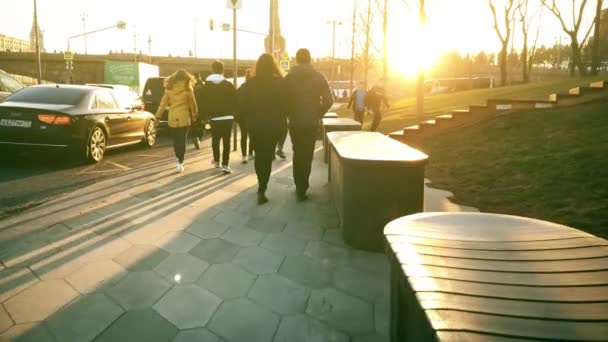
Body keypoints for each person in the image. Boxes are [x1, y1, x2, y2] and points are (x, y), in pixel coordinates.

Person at [238, 53, 288, 204]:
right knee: (267, 155)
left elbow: (239, 102)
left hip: (255, 125)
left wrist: (244, 119)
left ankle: (261, 185)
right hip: (273, 125)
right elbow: (287, 104)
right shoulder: (280, 83)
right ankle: (263, 185)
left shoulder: (250, 83)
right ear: (274, 65)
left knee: (259, 155)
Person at [285, 48, 333, 201]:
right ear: (310, 59)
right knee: (307, 154)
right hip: (311, 122)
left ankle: (298, 184)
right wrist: (317, 113)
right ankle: (302, 187)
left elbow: (282, 99)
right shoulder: (319, 77)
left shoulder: (289, 78)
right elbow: (328, 101)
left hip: (295, 122)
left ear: (297, 60)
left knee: (297, 152)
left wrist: (289, 112)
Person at [155, 69, 198, 173]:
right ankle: (180, 161)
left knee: (175, 140)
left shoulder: (169, 88)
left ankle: (177, 157)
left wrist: (158, 116)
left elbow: (163, 104)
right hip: (184, 117)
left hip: (172, 117)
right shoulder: (188, 88)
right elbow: (193, 104)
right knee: (182, 140)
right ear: (186, 77)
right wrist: (194, 115)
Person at [199, 61, 237, 174]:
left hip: (214, 118)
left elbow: (203, 102)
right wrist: (234, 114)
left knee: (215, 140)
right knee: (227, 141)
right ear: (222, 70)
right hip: (228, 117)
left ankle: (216, 161)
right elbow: (235, 100)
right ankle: (226, 165)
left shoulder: (207, 86)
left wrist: (204, 116)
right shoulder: (229, 85)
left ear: (212, 70)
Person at [236, 69, 255, 163]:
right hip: (251, 115)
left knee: (244, 135)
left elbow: (236, 101)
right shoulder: (255, 88)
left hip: (242, 115)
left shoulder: (241, 87)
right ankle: (250, 154)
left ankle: (244, 156)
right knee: (252, 135)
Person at [192, 72, 205, 150]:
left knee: (194, 125)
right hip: (202, 109)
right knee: (202, 125)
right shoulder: (203, 85)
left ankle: (195, 137)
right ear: (199, 77)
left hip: (193, 108)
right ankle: (198, 139)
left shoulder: (191, 86)